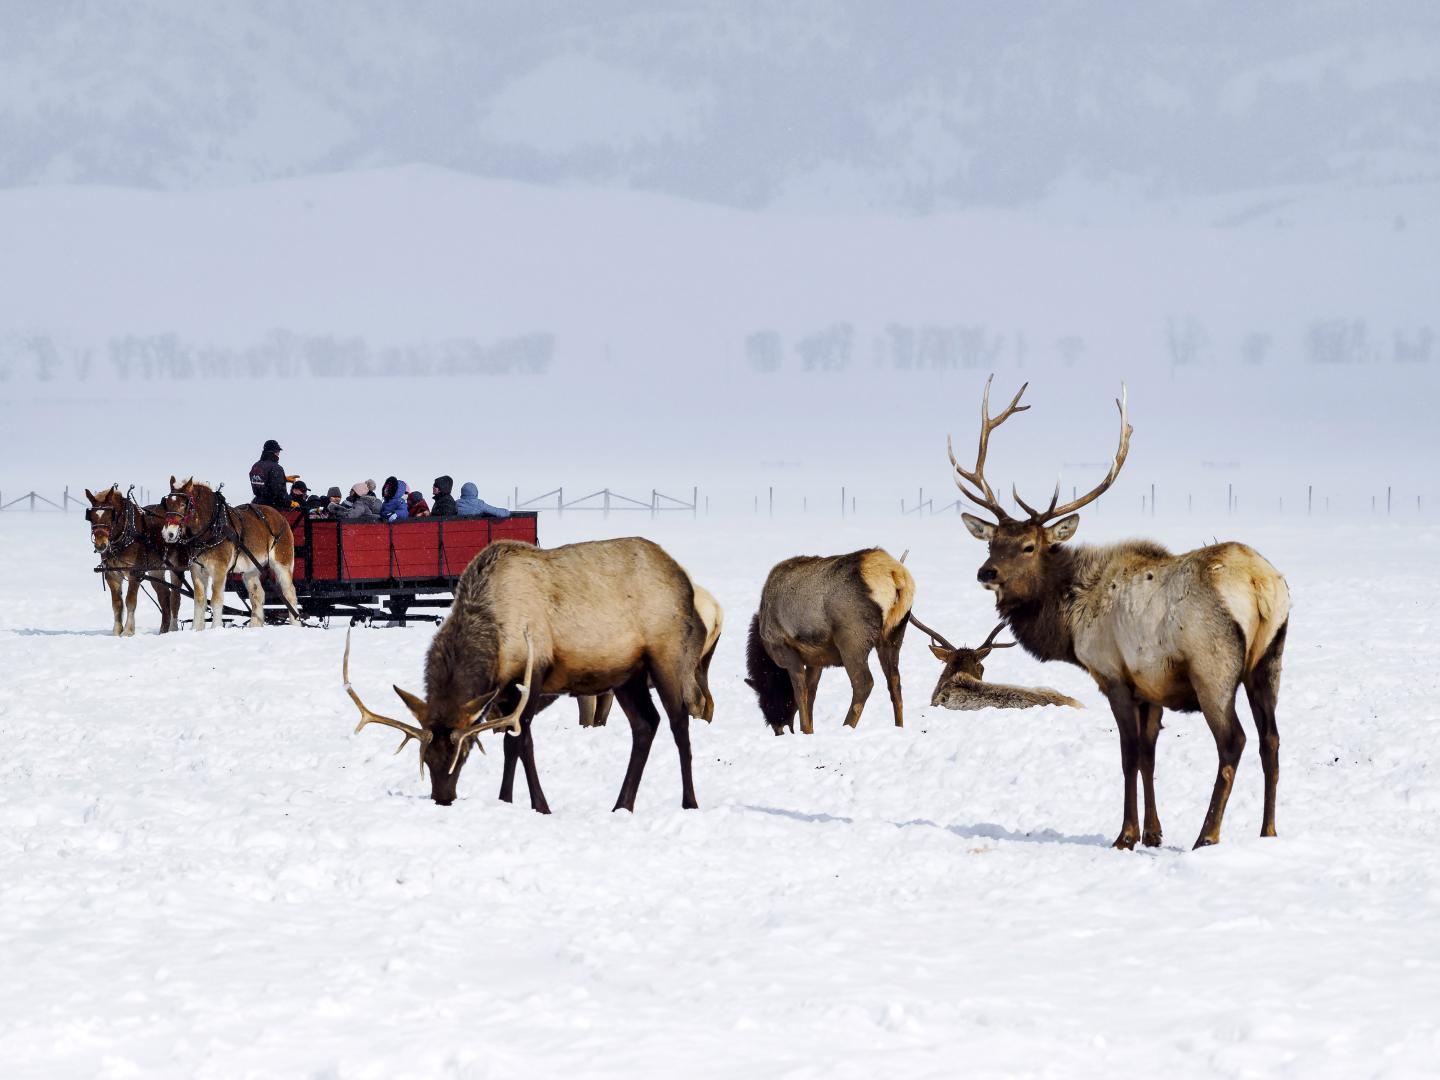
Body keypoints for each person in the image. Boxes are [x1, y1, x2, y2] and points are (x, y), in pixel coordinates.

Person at [249, 439, 289, 509]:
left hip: (257, 503)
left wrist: (284, 479)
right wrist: (290, 502)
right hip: (272, 507)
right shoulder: (276, 468)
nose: (279, 453)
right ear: (274, 452)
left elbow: (263, 481)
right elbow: (279, 492)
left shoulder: (255, 466)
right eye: (278, 451)